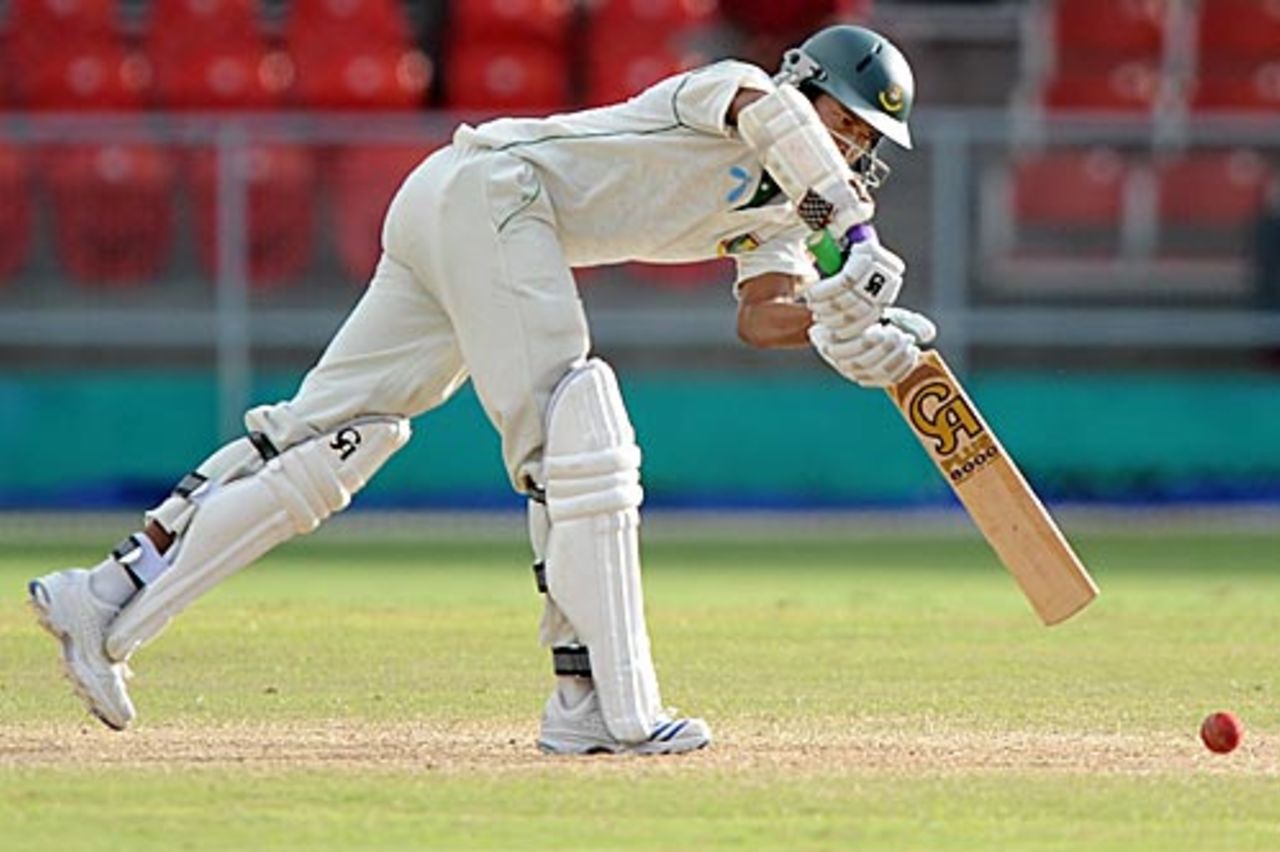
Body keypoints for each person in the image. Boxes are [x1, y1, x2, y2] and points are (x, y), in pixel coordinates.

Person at [29, 25, 927, 755]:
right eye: (844, 120)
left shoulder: (778, 217)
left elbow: (763, 313)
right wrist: (849, 223)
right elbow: (769, 119)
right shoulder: (736, 90)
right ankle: (601, 705)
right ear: (805, 87)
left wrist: (839, 316)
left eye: (865, 139)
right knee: (578, 435)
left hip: (459, 205)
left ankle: (103, 597)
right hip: (498, 191)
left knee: (328, 439)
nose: (851, 145)